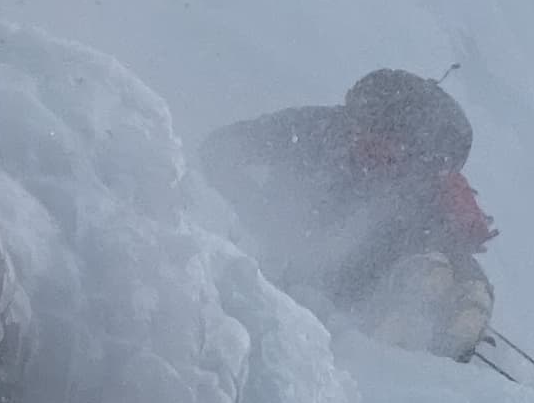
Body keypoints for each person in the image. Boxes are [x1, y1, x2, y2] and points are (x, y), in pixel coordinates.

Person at [200, 66, 497, 358]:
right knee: (429, 266)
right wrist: (262, 216)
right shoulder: (314, 131)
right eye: (386, 143)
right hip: (317, 269)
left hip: (357, 272)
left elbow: (448, 232)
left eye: (400, 149)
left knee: (439, 266)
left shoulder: (417, 173)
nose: (391, 158)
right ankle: (419, 317)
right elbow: (221, 149)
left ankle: (441, 315)